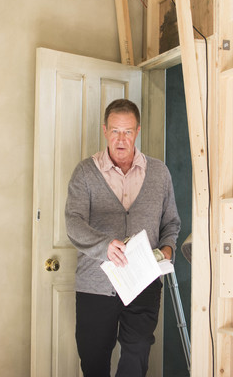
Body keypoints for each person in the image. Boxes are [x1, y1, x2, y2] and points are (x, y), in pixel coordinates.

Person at [65, 98, 181, 377]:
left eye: (127, 131)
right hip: (96, 286)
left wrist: (166, 249)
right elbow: (74, 222)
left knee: (138, 353)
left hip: (144, 283)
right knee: (93, 358)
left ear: (137, 131)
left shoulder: (159, 173)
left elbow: (171, 222)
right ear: (104, 130)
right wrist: (104, 246)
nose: (121, 139)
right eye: (115, 131)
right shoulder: (84, 172)